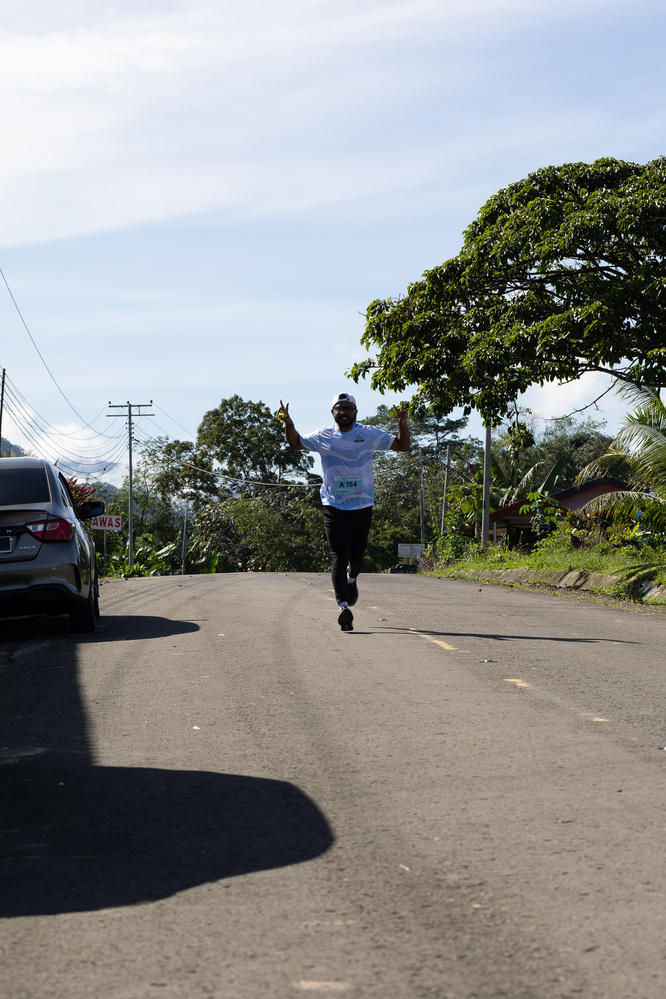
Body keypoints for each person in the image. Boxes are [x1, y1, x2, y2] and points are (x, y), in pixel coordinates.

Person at [278, 392, 410, 631]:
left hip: (362, 505)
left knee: (357, 557)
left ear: (356, 412)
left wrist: (402, 424)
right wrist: (288, 423)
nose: (344, 412)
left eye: (348, 408)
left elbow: (403, 446)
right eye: (339, 408)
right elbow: (295, 443)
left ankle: (352, 578)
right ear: (333, 413)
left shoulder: (368, 434)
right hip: (333, 505)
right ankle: (343, 608)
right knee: (339, 555)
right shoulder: (323, 435)